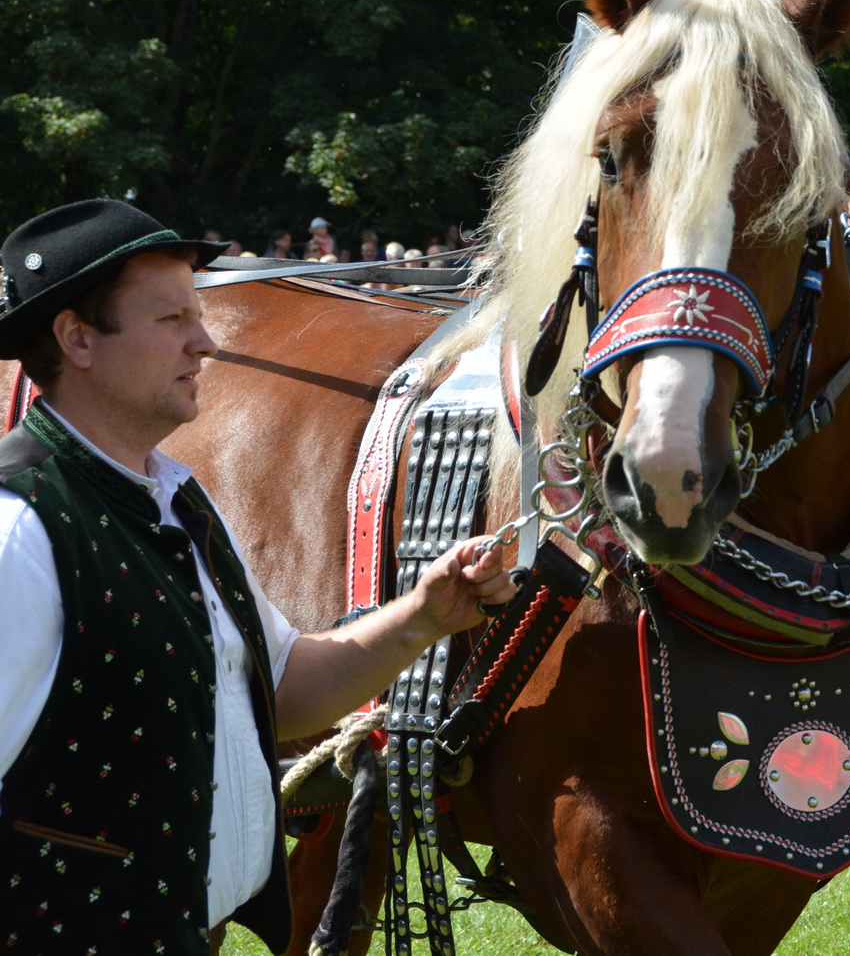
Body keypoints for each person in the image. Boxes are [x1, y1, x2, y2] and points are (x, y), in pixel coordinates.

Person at [0, 200, 514, 954]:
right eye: (171, 319)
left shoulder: (176, 500)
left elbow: (284, 684)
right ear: (77, 338)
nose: (204, 342)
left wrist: (427, 615)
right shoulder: (21, 531)